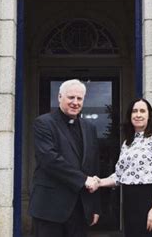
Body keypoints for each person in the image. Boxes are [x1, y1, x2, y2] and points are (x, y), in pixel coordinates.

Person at [29, 79, 101, 237]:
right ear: (59, 97)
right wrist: (83, 179)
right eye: (71, 97)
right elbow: (49, 159)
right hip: (49, 209)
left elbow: (93, 167)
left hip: (80, 209)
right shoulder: (43, 123)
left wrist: (94, 206)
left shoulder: (90, 128)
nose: (75, 102)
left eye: (79, 98)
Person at [93, 98, 152, 237]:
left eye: (142, 111)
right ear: (130, 116)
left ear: (149, 116)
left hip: (148, 200)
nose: (138, 115)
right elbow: (119, 175)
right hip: (129, 201)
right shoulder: (128, 143)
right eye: (134, 111)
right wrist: (99, 182)